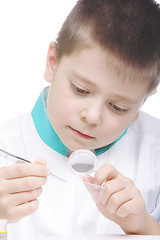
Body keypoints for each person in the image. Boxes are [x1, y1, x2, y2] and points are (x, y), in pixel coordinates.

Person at [0, 0, 160, 239]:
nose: (92, 116)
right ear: (53, 63)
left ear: (140, 104)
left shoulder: (154, 150)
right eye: (80, 90)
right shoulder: (7, 143)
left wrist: (142, 225)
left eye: (118, 107)